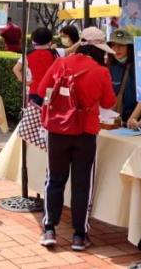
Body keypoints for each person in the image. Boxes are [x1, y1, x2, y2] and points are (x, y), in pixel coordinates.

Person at [36, 34, 114, 251]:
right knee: (82, 184)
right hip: (85, 132)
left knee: (54, 179)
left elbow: (42, 91)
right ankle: (79, 235)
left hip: (57, 129)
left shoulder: (60, 63)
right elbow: (109, 102)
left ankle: (49, 229)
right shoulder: (101, 71)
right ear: (99, 50)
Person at [13, 27, 59, 105]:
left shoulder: (28, 55)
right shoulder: (54, 54)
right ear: (50, 41)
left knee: (34, 112)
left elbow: (15, 69)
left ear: (34, 40)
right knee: (47, 112)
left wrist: (25, 82)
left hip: (34, 90)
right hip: (50, 91)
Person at [108, 28, 137, 122]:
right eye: (113, 45)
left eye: (121, 45)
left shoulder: (138, 67)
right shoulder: (109, 67)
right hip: (115, 120)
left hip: (137, 121)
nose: (116, 49)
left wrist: (134, 118)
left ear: (129, 47)